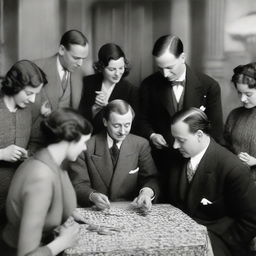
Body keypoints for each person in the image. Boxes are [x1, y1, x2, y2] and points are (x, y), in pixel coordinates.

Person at [138, 34, 223, 201]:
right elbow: (140, 120)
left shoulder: (209, 86)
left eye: (169, 67)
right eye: (160, 68)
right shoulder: (148, 85)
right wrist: (151, 134)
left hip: (196, 165)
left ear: (183, 57)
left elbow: (216, 132)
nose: (164, 74)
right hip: (161, 165)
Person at [1, 108, 93, 256]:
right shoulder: (41, 177)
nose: (85, 148)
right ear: (67, 141)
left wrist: (67, 213)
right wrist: (63, 241)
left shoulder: (51, 161)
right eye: (83, 142)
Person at [169, 107, 256, 256]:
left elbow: (251, 220)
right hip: (177, 236)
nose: (175, 145)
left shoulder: (233, 168)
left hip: (218, 242)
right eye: (174, 139)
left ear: (199, 135)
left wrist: (219, 246)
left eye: (181, 140)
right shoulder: (176, 156)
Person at [69, 99, 159, 211]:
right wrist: (92, 196)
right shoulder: (86, 147)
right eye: (117, 126)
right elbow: (78, 184)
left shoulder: (141, 144)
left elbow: (151, 179)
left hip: (131, 209)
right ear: (105, 122)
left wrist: (146, 192)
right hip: (96, 210)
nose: (122, 131)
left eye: (127, 125)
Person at [0, 60, 47, 228]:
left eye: (36, 93)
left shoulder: (28, 110)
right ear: (14, 85)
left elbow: (35, 140)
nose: (33, 99)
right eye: (29, 93)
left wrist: (29, 153)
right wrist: (2, 154)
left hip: (13, 200)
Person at [29, 29, 90, 153]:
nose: (80, 63)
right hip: (36, 145)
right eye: (76, 58)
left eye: (83, 58)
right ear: (62, 50)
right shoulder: (35, 68)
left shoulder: (82, 74)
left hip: (67, 147)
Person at [78, 43, 138, 134]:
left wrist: (108, 107)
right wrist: (94, 109)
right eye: (112, 69)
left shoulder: (130, 90)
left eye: (121, 68)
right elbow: (80, 117)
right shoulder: (88, 83)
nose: (117, 73)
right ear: (101, 67)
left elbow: (132, 125)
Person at [224, 62, 256, 181]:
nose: (242, 99)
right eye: (239, 93)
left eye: (248, 94)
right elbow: (225, 146)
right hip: (236, 183)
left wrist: (255, 161)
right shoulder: (234, 115)